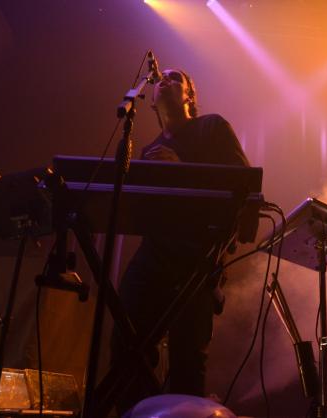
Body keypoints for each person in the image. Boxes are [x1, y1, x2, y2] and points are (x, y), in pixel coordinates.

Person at [110, 68, 249, 415]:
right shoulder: (148, 149)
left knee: (188, 359)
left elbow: (242, 183)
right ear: (152, 100)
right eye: (161, 80)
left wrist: (182, 167)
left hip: (198, 258)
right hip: (153, 256)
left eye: (176, 78)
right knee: (127, 345)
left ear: (189, 95)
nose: (164, 81)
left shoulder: (212, 127)